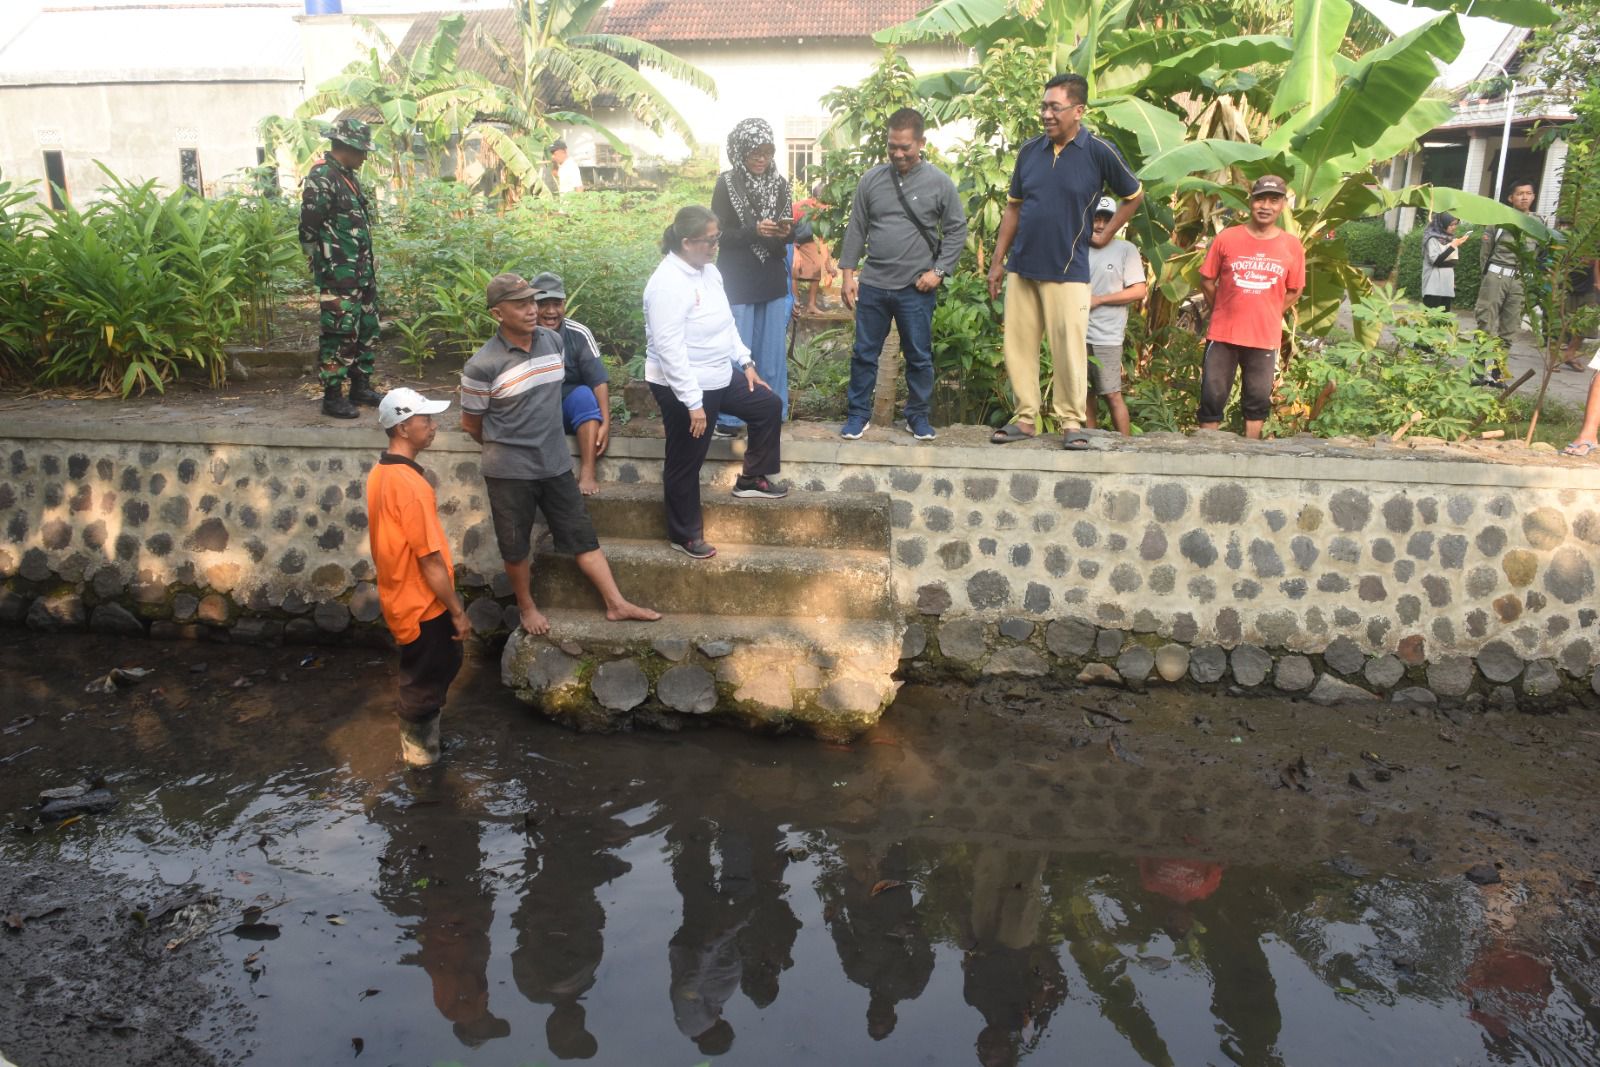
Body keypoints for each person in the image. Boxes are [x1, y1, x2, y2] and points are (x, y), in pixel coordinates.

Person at [460, 273, 659, 635]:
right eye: (520, 304)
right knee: (516, 547)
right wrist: (507, 448)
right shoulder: (482, 365)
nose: (532, 310)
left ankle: (616, 604)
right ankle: (527, 609)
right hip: (509, 471)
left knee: (582, 535)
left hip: (553, 464)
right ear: (497, 313)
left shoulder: (553, 341)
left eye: (532, 301)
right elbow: (472, 424)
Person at [987, 72, 1144, 449]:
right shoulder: (1029, 152)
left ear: (1078, 110)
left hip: (1068, 269)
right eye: (1043, 106)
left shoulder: (1098, 152)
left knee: (1069, 348)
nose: (1046, 114)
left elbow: (1134, 195)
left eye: (1054, 107)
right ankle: (1026, 418)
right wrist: (997, 262)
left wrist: (1107, 233)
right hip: (1023, 267)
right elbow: (1013, 210)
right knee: (1019, 346)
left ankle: (1071, 423)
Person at [644, 206, 788, 560]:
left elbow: (725, 324)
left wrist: (746, 362)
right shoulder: (666, 284)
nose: (714, 247)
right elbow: (669, 350)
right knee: (686, 459)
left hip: (718, 375)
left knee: (767, 404)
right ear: (686, 242)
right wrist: (692, 403)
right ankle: (684, 534)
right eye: (708, 241)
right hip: (682, 383)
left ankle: (752, 479)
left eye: (717, 239)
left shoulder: (709, 272)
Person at [837, 107, 968, 442]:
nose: (898, 153)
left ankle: (917, 417)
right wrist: (848, 275)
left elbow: (956, 229)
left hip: (916, 288)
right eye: (892, 146)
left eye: (905, 147)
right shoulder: (871, 180)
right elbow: (856, 228)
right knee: (864, 354)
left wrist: (938, 271)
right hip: (874, 284)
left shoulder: (939, 182)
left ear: (921, 143)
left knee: (919, 357)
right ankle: (857, 415)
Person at [365, 386, 470, 768]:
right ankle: (421, 763)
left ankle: (425, 747)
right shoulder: (410, 487)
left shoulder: (382, 472)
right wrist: (456, 610)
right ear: (403, 428)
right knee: (423, 683)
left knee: (430, 670)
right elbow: (428, 560)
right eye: (426, 420)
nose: (433, 426)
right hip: (421, 603)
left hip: (400, 597)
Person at [1195, 175, 1305, 439]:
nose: (1266, 206)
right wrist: (1221, 307)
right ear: (1251, 202)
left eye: (1274, 200)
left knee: (1256, 402)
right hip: (1223, 334)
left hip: (1263, 337)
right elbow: (1207, 280)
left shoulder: (1292, 245)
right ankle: (1205, 451)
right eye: (1260, 199)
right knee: (1212, 398)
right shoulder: (1227, 239)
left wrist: (1270, 312)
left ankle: (1249, 454)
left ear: (1282, 206)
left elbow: (1295, 289)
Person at [710, 118, 795, 438]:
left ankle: (772, 410)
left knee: (771, 350)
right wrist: (753, 231)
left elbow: (788, 235)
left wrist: (787, 232)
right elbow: (718, 234)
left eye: (767, 152)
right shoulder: (727, 183)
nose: (761, 159)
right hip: (738, 279)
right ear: (740, 152)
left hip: (771, 276)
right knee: (737, 349)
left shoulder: (780, 183)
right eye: (754, 153)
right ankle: (731, 420)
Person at [300, 117, 385, 420]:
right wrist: (321, 262)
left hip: (361, 272)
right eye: (362, 151)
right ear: (345, 147)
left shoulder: (347, 175)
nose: (365, 157)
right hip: (339, 274)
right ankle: (333, 396)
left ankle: (360, 386)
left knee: (367, 330)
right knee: (339, 333)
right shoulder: (322, 176)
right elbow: (309, 225)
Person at [530, 271, 611, 496]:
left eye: (557, 304)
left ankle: (587, 471)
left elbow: (599, 381)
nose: (550, 311)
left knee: (584, 395)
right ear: (531, 305)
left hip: (568, 410)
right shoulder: (522, 335)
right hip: (535, 410)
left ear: (564, 304)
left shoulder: (578, 334)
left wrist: (605, 423)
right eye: (543, 304)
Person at [1083, 196, 1145, 436]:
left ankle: (1126, 447)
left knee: (1111, 393)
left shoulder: (1125, 250)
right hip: (1077, 331)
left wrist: (1099, 300)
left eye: (1106, 220)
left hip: (1107, 336)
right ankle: (1089, 440)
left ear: (1116, 222)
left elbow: (1139, 290)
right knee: (1084, 392)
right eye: (1096, 218)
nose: (1100, 225)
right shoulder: (1079, 246)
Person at [1474, 181, 1538, 385]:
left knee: (1510, 328)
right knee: (1485, 323)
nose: (1524, 197)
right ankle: (1477, 371)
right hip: (1496, 276)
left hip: (1520, 281)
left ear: (1534, 197)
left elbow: (1538, 254)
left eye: (1528, 193)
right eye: (1520, 193)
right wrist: (1487, 277)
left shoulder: (1537, 223)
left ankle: (1496, 373)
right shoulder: (1499, 220)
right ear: (1511, 198)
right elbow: (1485, 252)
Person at [1420, 212, 1469, 311]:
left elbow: (1454, 262)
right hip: (1432, 287)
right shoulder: (1432, 239)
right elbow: (1436, 261)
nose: (1454, 227)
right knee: (1431, 320)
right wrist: (1452, 247)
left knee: (1444, 320)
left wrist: (1453, 246)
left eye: (1455, 224)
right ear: (1443, 224)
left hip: (1447, 285)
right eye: (1451, 224)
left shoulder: (1451, 240)